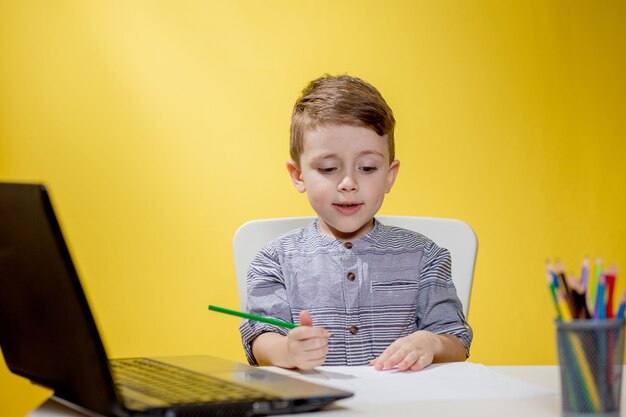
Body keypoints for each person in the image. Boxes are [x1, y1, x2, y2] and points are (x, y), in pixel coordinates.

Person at [239, 74, 472, 372]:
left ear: (389, 174)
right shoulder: (274, 260)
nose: (348, 183)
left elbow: (456, 340)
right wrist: (287, 350)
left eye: (367, 167)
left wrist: (431, 342)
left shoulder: (425, 256)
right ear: (298, 176)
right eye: (328, 168)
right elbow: (260, 338)